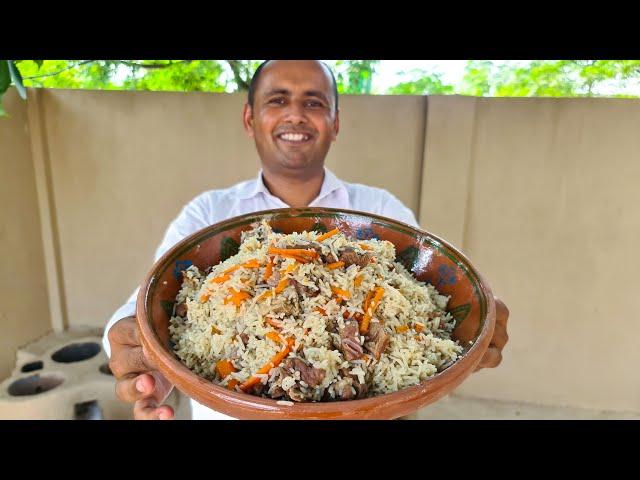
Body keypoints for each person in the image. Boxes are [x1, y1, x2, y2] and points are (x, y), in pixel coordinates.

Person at [104, 60, 510, 420]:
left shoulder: (381, 210)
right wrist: (132, 346)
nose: (295, 114)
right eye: (277, 100)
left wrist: (476, 327)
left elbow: (430, 287)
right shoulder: (207, 214)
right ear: (250, 119)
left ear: (335, 122)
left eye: (314, 102)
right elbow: (143, 305)